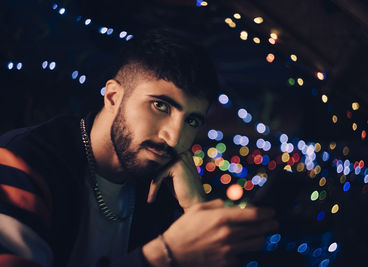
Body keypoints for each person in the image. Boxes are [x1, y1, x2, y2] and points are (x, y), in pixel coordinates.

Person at [0, 29, 277, 267]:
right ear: (112, 96)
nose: (174, 138)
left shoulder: (161, 189)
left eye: (192, 120)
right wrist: (163, 255)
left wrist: (194, 209)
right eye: (160, 105)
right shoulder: (23, 162)